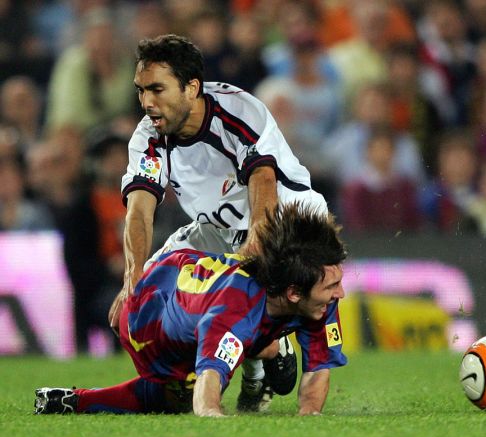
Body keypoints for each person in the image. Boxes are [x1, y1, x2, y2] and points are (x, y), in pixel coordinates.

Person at [108, 34, 329, 412]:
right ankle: (245, 361)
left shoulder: (239, 111)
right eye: (141, 90)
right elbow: (140, 211)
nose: (147, 102)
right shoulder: (149, 136)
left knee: (240, 296)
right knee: (152, 296)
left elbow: (263, 185)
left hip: (288, 223)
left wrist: (250, 258)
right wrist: (134, 276)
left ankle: (264, 349)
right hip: (217, 231)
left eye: (157, 89)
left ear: (191, 88)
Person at [34, 202, 348, 417]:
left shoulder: (316, 295)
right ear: (293, 293)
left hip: (194, 280)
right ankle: (83, 400)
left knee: (256, 344)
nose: (341, 293)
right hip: (149, 314)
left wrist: (311, 417)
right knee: (178, 399)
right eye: (332, 287)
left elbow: (319, 368)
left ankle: (268, 347)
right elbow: (209, 386)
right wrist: (212, 412)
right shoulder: (233, 312)